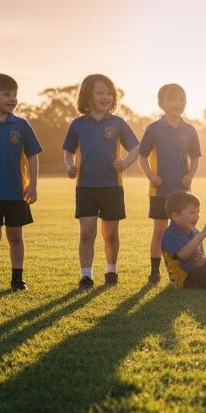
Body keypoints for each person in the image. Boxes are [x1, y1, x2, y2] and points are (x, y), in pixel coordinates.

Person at [62, 74, 140, 290]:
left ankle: (111, 270)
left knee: (111, 234)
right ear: (88, 95)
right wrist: (70, 166)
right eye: (100, 93)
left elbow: (135, 147)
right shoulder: (78, 124)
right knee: (87, 232)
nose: (105, 97)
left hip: (112, 187)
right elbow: (68, 151)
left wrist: (125, 163)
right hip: (86, 186)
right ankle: (86, 276)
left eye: (109, 93)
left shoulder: (118, 123)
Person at [0, 73, 43, 291]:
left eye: (15, 94)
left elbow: (33, 155)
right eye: (7, 94)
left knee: (15, 235)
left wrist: (32, 184)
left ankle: (17, 279)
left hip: (17, 192)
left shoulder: (22, 125)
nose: (13, 98)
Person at [138, 84, 201, 285]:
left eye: (181, 99)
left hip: (182, 193)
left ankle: (188, 269)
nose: (178, 103)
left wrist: (190, 175)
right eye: (172, 99)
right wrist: (151, 176)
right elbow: (142, 157)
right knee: (159, 230)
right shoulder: (153, 129)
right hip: (160, 190)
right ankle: (154, 272)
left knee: (186, 230)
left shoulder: (190, 130)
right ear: (161, 103)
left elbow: (195, 158)